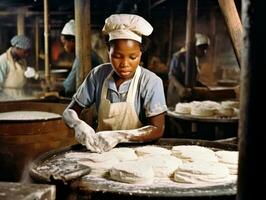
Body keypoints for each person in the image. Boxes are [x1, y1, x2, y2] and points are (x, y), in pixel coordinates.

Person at [63, 14, 168, 153]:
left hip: (139, 154)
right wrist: (77, 124)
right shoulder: (98, 75)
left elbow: (157, 129)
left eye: (132, 57)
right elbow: (69, 111)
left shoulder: (150, 82)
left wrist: (119, 136)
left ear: (141, 54)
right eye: (117, 56)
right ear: (108, 51)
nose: (125, 64)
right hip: (101, 152)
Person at [55, 19, 103, 97]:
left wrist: (56, 86)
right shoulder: (88, 53)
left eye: (64, 43)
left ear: (72, 40)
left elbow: (70, 87)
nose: (64, 47)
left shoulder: (83, 56)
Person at [167, 33, 210, 107]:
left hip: (188, 95)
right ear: (194, 47)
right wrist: (180, 88)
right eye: (202, 48)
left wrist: (204, 87)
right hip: (176, 95)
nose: (204, 52)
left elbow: (192, 78)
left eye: (205, 49)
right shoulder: (178, 57)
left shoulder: (195, 59)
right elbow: (171, 75)